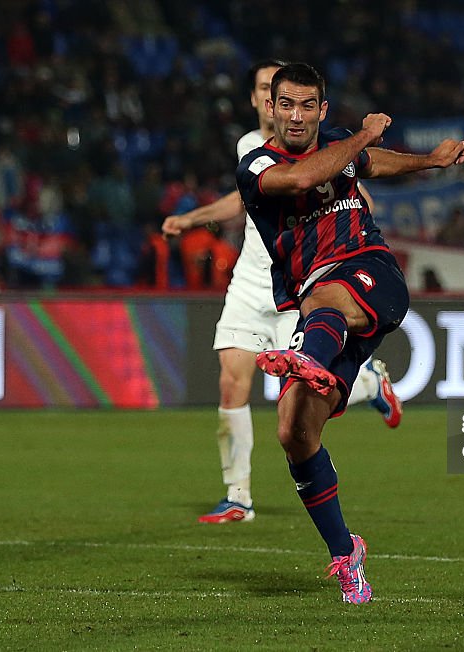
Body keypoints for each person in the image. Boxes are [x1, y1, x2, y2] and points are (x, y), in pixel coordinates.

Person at [236, 62, 464, 603]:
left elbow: (371, 164)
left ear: (322, 109)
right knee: (293, 430)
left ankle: (311, 359)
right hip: (325, 311)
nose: (295, 115)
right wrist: (363, 134)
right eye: (285, 104)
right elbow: (304, 177)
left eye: (306, 105)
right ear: (270, 108)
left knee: (325, 298)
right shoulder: (257, 165)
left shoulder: (341, 143)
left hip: (371, 273)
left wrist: (427, 161)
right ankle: (346, 553)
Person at [162, 60, 404, 525]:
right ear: (261, 100)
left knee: (298, 393)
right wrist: (193, 218)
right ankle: (238, 495)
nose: (286, 108)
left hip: (301, 279)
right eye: (262, 90)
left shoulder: (320, 143)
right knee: (231, 380)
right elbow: (243, 197)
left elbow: (341, 177)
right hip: (251, 279)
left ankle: (370, 383)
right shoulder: (250, 148)